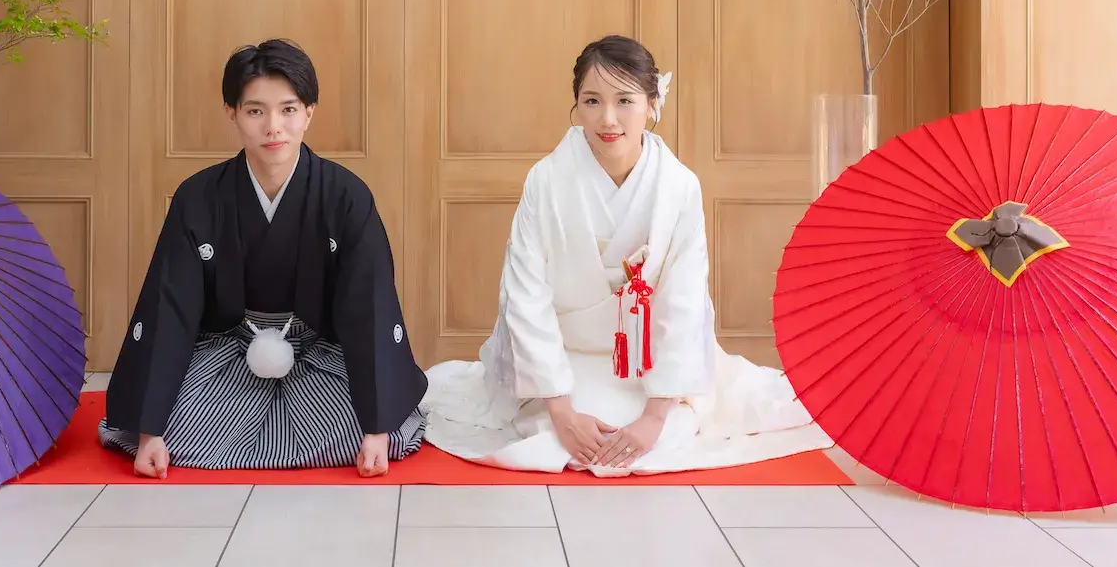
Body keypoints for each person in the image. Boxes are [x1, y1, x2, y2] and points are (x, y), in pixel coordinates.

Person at [421, 35, 831, 475]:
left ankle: (656, 414)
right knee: (548, 436)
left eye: (625, 100)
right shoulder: (547, 181)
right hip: (563, 359)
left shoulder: (678, 186)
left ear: (652, 105)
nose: (608, 118)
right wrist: (561, 409)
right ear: (576, 106)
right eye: (592, 100)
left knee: (665, 435)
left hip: (647, 364)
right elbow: (525, 297)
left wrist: (654, 417)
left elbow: (685, 303)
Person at [100, 38, 427, 477]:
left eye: (288, 109)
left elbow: (369, 307)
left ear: (309, 112)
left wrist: (375, 428)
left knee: (364, 426)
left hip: (319, 349)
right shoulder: (199, 197)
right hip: (229, 348)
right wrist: (150, 431)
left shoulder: (345, 196)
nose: (274, 127)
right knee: (173, 428)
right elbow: (169, 309)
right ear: (232, 113)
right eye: (255, 111)